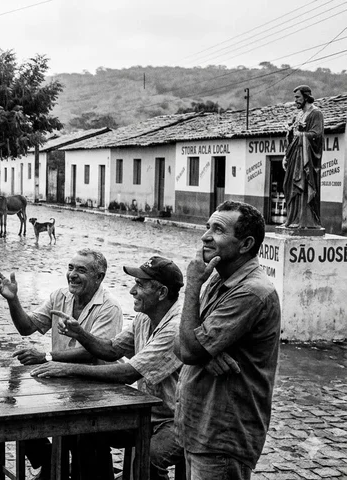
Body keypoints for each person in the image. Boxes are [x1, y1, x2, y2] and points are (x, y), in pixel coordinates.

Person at [31, 255, 185, 480]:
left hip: (176, 419)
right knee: (87, 430)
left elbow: (127, 372)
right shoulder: (145, 316)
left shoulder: (174, 327)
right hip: (146, 411)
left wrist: (67, 368)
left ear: (161, 293)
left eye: (140, 286)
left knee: (148, 458)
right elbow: (112, 349)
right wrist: (81, 333)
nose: (132, 291)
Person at [175, 201, 281, 480]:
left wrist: (193, 286)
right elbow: (181, 345)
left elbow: (187, 348)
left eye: (218, 229)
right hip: (198, 428)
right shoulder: (218, 276)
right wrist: (205, 353)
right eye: (207, 227)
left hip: (222, 435)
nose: (205, 236)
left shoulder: (251, 291)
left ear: (245, 244)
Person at [0, 249, 123, 478]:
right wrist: (13, 300)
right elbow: (27, 327)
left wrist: (46, 356)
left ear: (99, 277)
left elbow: (91, 352)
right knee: (16, 412)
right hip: (62, 385)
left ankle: (61, 466)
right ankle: (51, 461)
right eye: (71, 268)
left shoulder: (109, 307)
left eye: (81, 270)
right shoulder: (60, 296)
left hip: (96, 391)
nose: (72, 275)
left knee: (87, 444)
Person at [283, 85, 324, 229]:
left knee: (303, 187)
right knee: (289, 185)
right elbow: (292, 136)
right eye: (295, 98)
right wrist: (286, 155)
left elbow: (317, 135)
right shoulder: (298, 115)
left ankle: (305, 221)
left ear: (306, 97)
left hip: (307, 159)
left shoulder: (316, 113)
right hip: (295, 156)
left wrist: (301, 135)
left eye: (297, 97)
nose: (295, 101)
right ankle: (292, 218)